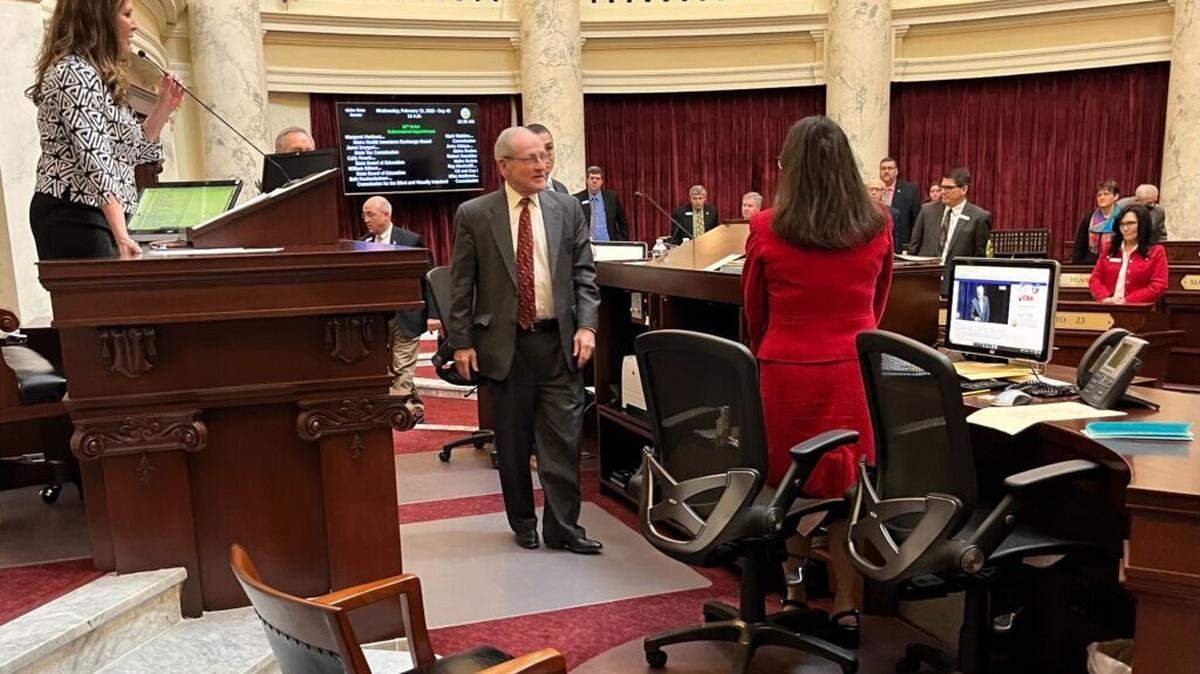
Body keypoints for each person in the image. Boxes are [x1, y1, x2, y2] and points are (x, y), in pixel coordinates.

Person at [743, 115, 893, 645]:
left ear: (791, 167)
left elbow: (754, 311)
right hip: (851, 371)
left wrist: (775, 345)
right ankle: (848, 605)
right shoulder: (877, 222)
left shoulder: (765, 225)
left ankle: (794, 591)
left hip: (785, 371)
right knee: (850, 490)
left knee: (788, 487)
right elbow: (879, 302)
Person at [447, 126, 601, 554]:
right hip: (505, 346)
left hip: (558, 343)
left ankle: (563, 527)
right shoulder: (476, 214)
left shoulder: (567, 208)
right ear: (504, 166)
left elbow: (585, 275)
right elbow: (462, 285)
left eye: (545, 156)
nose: (542, 165)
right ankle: (522, 521)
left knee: (564, 441)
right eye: (531, 158)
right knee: (512, 445)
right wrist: (462, 341)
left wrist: (587, 326)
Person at [27, 0, 183, 261]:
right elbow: (94, 159)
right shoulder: (72, 71)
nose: (134, 25)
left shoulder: (96, 76)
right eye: (127, 15)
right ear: (99, 19)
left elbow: (134, 150)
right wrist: (122, 236)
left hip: (100, 215)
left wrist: (164, 106)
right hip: (74, 212)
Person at [361, 196, 438, 403]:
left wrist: (433, 314)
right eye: (364, 215)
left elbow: (428, 280)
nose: (366, 220)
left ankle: (396, 411)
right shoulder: (362, 243)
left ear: (387, 215)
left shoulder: (410, 241)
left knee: (402, 365)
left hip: (408, 316)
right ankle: (416, 405)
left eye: (371, 215)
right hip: (381, 318)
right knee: (393, 366)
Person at [1088, 204, 1169, 304]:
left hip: (1138, 311)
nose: (1125, 229)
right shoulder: (1109, 248)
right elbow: (1095, 279)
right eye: (1122, 224)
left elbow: (1158, 285)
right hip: (1107, 307)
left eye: (1130, 223)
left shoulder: (1156, 251)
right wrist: (1105, 298)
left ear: (1143, 224)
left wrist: (1128, 301)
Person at [908, 168, 992, 262]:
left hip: (955, 274)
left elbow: (978, 259)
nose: (943, 192)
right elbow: (913, 248)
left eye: (949, 188)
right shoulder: (927, 211)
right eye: (942, 187)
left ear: (964, 189)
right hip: (927, 274)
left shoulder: (979, 217)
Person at [1072, 180, 1122, 265]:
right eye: (1099, 195)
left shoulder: (1122, 218)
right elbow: (1080, 246)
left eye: (1106, 194)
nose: (1101, 197)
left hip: (1114, 263)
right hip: (1090, 264)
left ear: (1116, 196)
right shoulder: (1089, 218)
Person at [573, 166, 629, 241]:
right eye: (592, 178)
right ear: (587, 180)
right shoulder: (577, 199)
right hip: (586, 246)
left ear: (602, 181)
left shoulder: (612, 197)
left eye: (597, 178)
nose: (594, 181)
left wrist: (620, 240)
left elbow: (622, 222)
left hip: (608, 245)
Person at [878, 157, 921, 252]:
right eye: (883, 168)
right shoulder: (872, 189)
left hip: (902, 245)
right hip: (878, 243)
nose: (886, 171)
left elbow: (916, 221)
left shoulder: (910, 190)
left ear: (896, 171)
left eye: (890, 168)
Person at [524, 123, 569, 194]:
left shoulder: (561, 189)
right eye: (537, 149)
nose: (544, 154)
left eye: (549, 148)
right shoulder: (520, 190)